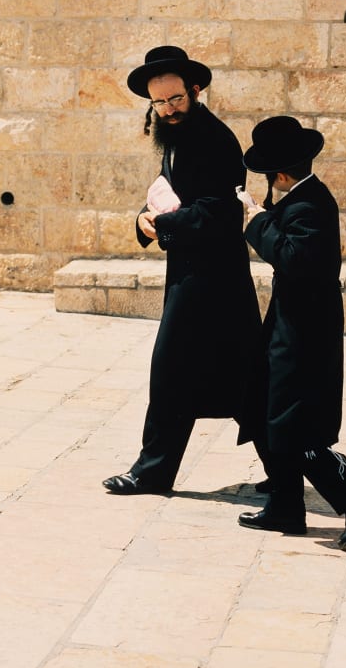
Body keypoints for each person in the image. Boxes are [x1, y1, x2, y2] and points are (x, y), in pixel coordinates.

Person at [102, 45, 265, 495]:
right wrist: (142, 219)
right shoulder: (177, 139)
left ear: (194, 91)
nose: (169, 110)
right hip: (193, 276)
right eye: (159, 103)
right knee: (243, 378)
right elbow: (165, 193)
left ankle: (151, 471)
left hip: (212, 280)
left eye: (175, 99)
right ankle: (286, 471)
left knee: (174, 369)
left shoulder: (214, 140)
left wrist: (165, 226)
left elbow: (221, 212)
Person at [236, 115, 346, 552]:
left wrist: (255, 221)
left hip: (305, 331)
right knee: (268, 409)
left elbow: (292, 259)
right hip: (291, 324)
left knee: (291, 424)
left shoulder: (310, 205)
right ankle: (285, 506)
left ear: (280, 174)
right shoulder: (304, 199)